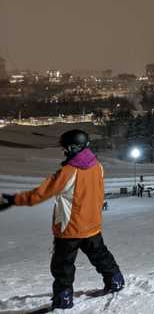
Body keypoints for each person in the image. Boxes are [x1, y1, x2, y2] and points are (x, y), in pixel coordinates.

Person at [0, 130, 124, 310]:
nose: (64, 152)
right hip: (92, 225)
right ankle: (115, 279)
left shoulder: (68, 172)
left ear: (73, 148)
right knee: (100, 255)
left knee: (63, 265)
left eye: (66, 148)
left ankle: (63, 297)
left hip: (70, 229)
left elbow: (39, 194)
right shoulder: (98, 166)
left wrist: (13, 199)